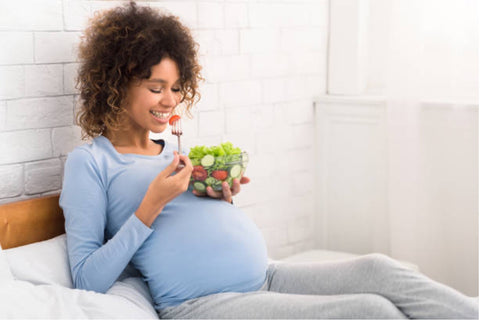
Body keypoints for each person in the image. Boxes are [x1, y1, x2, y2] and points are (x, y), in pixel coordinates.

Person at [60, 2, 478, 319]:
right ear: (117, 85)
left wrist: (218, 197)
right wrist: (150, 204)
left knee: (380, 270)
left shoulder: (173, 151)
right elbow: (87, 278)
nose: (169, 101)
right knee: (370, 310)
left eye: (175, 87)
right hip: (204, 303)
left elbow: (189, 226)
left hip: (267, 275)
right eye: (156, 87)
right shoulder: (91, 163)